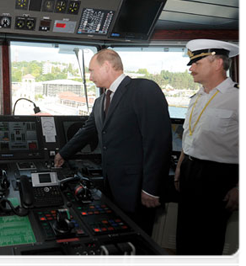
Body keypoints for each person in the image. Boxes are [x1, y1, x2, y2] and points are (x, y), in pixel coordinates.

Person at [54, 49, 172, 235]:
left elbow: (158, 142)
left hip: (137, 187)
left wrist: (151, 188)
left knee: (139, 241)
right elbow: (87, 130)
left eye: (92, 71)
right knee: (117, 236)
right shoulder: (100, 101)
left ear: (107, 66)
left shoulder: (143, 89)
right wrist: (63, 153)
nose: (90, 77)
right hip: (111, 186)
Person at [174, 39, 243, 266]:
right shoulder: (197, 98)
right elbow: (189, 137)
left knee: (209, 239)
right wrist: (180, 168)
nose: (190, 68)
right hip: (190, 170)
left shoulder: (240, 98)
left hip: (220, 176)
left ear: (217, 63)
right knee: (184, 234)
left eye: (196, 62)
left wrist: (240, 188)